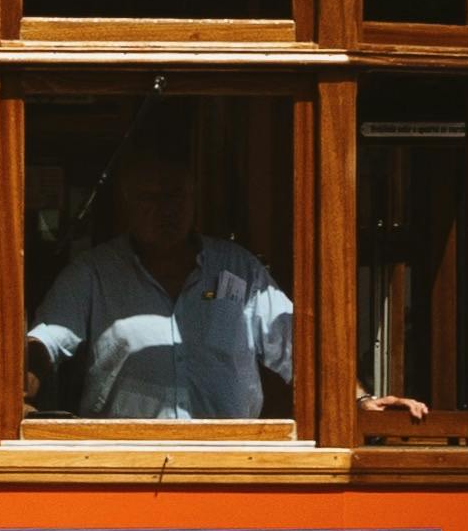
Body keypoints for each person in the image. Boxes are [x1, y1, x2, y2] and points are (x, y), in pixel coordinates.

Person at [29, 132, 291, 422]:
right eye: (148, 197)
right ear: (126, 201)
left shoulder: (239, 268)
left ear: (193, 195)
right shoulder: (93, 272)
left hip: (229, 452)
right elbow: (46, 341)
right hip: (124, 454)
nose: (165, 208)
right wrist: (21, 385)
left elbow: (296, 347)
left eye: (175, 195)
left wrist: (348, 397)